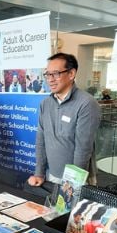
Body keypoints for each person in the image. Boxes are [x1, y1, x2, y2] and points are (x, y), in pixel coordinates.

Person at [28, 53, 101, 187]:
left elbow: (83, 149)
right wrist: (39, 173)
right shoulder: (46, 103)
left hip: (77, 179)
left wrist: (71, 184)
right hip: (52, 175)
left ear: (71, 74)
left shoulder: (87, 104)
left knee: (73, 208)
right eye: (48, 74)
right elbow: (41, 140)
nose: (50, 79)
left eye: (55, 74)